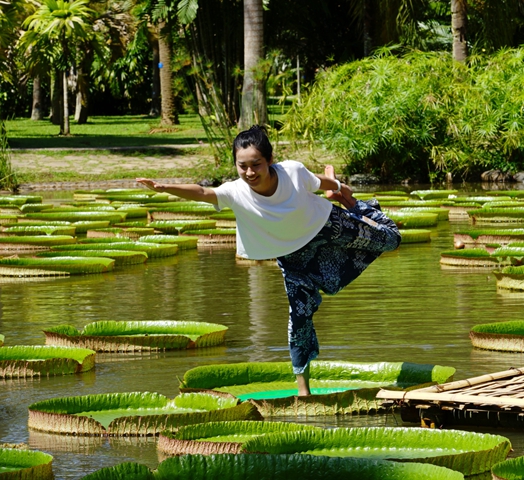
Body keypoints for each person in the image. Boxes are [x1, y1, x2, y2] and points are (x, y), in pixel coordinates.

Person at [137, 125, 401, 396]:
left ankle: (359, 208)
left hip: (327, 225)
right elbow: (204, 193)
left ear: (269, 160)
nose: (250, 172)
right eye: (243, 166)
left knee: (392, 239)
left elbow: (317, 181)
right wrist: (164, 186)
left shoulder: (293, 172)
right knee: (299, 320)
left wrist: (339, 187)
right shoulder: (235, 192)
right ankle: (304, 392)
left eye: (256, 164)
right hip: (293, 257)